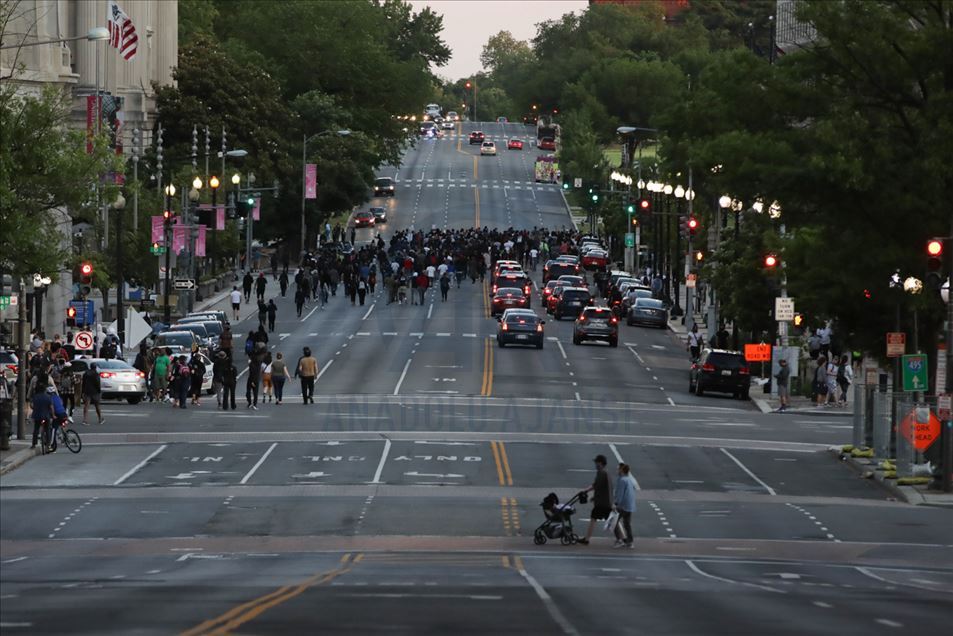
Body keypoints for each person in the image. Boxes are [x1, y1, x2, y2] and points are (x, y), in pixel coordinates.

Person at [577, 454, 612, 545]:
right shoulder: (606, 472)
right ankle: (623, 538)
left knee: (594, 518)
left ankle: (587, 539)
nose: (595, 464)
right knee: (612, 519)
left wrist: (587, 491)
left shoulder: (601, 473)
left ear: (600, 463)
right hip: (606, 502)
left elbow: (596, 485)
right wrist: (592, 495)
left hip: (602, 503)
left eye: (596, 462)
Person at [613, 463, 636, 548]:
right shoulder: (629, 479)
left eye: (618, 469)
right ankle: (630, 542)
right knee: (627, 524)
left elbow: (619, 494)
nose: (617, 470)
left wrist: (615, 504)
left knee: (613, 521)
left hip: (623, 505)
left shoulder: (622, 480)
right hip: (630, 505)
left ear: (621, 470)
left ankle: (619, 540)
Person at [31, 383, 56, 450]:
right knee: (47, 429)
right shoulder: (47, 397)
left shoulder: (35, 397)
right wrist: (53, 415)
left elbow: (32, 405)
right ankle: (48, 444)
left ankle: (34, 444)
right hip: (46, 415)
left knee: (36, 430)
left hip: (37, 416)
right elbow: (51, 407)